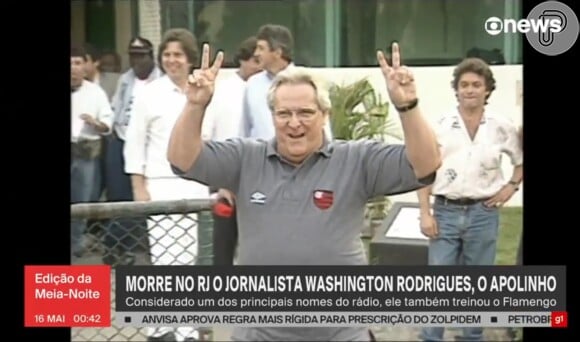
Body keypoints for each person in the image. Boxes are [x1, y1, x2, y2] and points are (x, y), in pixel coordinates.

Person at [167, 42, 441, 341]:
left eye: (305, 113)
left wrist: (407, 105)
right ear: (272, 116)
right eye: (284, 113)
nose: (294, 123)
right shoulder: (245, 158)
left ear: (325, 115)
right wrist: (195, 105)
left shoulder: (356, 159)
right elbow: (183, 160)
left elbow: (425, 164)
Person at [416, 57, 523, 342]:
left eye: (477, 84)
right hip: (445, 212)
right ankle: (431, 337)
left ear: (487, 89)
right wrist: (424, 213)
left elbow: (520, 160)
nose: (470, 90)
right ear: (456, 89)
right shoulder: (439, 124)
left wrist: (511, 186)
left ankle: (472, 336)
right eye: (464, 85)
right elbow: (423, 169)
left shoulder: (501, 127)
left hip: (483, 213)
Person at [123, 28, 207, 342]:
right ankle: (160, 328)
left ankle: (186, 329)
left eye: (178, 55)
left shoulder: (201, 92)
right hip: (159, 184)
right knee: (164, 258)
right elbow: (134, 141)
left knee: (189, 258)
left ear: (189, 59)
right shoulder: (148, 93)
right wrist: (138, 185)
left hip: (195, 184)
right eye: (167, 55)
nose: (172, 61)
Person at [201, 36, 261, 265]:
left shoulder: (269, 89)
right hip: (226, 179)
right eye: (255, 60)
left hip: (260, 179)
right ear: (243, 60)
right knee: (224, 247)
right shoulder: (223, 90)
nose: (259, 65)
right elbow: (206, 135)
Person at [102, 37, 162, 266]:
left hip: (148, 144)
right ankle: (117, 249)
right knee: (119, 196)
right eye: (133, 55)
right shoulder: (125, 80)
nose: (137, 60)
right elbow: (116, 109)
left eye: (141, 55)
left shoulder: (159, 81)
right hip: (121, 141)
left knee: (142, 197)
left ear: (151, 56)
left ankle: (124, 246)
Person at [70, 44, 113, 258]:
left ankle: (75, 243)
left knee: (81, 201)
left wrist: (95, 123)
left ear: (85, 66)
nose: (73, 68)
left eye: (77, 63)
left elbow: (108, 124)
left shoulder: (95, 93)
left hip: (85, 153)